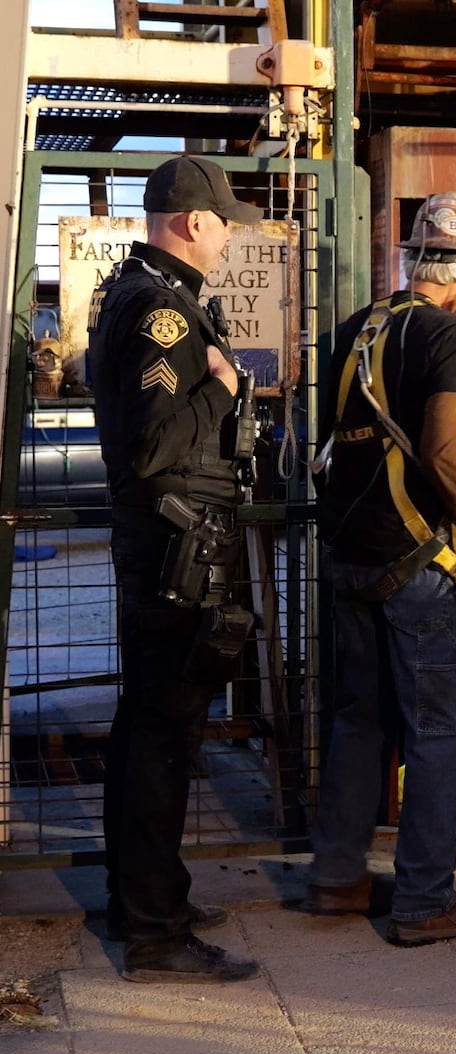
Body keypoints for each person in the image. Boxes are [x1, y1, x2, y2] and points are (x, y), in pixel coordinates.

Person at [309, 192, 456, 947]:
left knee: (360, 719)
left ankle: (338, 877)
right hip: (421, 562)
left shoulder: (352, 333)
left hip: (350, 556)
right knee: (437, 728)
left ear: (415, 259)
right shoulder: (451, 335)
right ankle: (426, 898)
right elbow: (444, 451)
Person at [90, 155, 263, 983]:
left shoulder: (145, 297)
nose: (228, 236)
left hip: (167, 550)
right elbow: (156, 449)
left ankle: (139, 899)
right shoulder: (162, 313)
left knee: (145, 729)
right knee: (164, 739)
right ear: (193, 222)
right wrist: (224, 387)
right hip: (176, 553)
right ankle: (156, 935)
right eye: (224, 222)